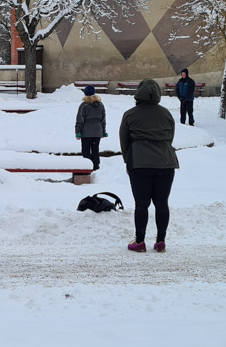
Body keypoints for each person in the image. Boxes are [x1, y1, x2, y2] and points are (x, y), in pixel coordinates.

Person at [119, 78, 178, 253]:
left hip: (140, 162)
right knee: (162, 203)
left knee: (142, 203)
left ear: (139, 93)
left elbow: (124, 141)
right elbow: (170, 137)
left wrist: (129, 159)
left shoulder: (130, 114)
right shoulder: (166, 114)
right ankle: (161, 241)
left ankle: (140, 241)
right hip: (166, 162)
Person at [75, 85, 107, 171]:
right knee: (95, 150)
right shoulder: (100, 105)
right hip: (97, 131)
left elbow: (80, 120)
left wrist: (77, 132)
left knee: (86, 151)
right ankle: (96, 167)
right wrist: (103, 131)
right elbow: (103, 120)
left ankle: (87, 168)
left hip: (86, 132)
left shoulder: (84, 105)